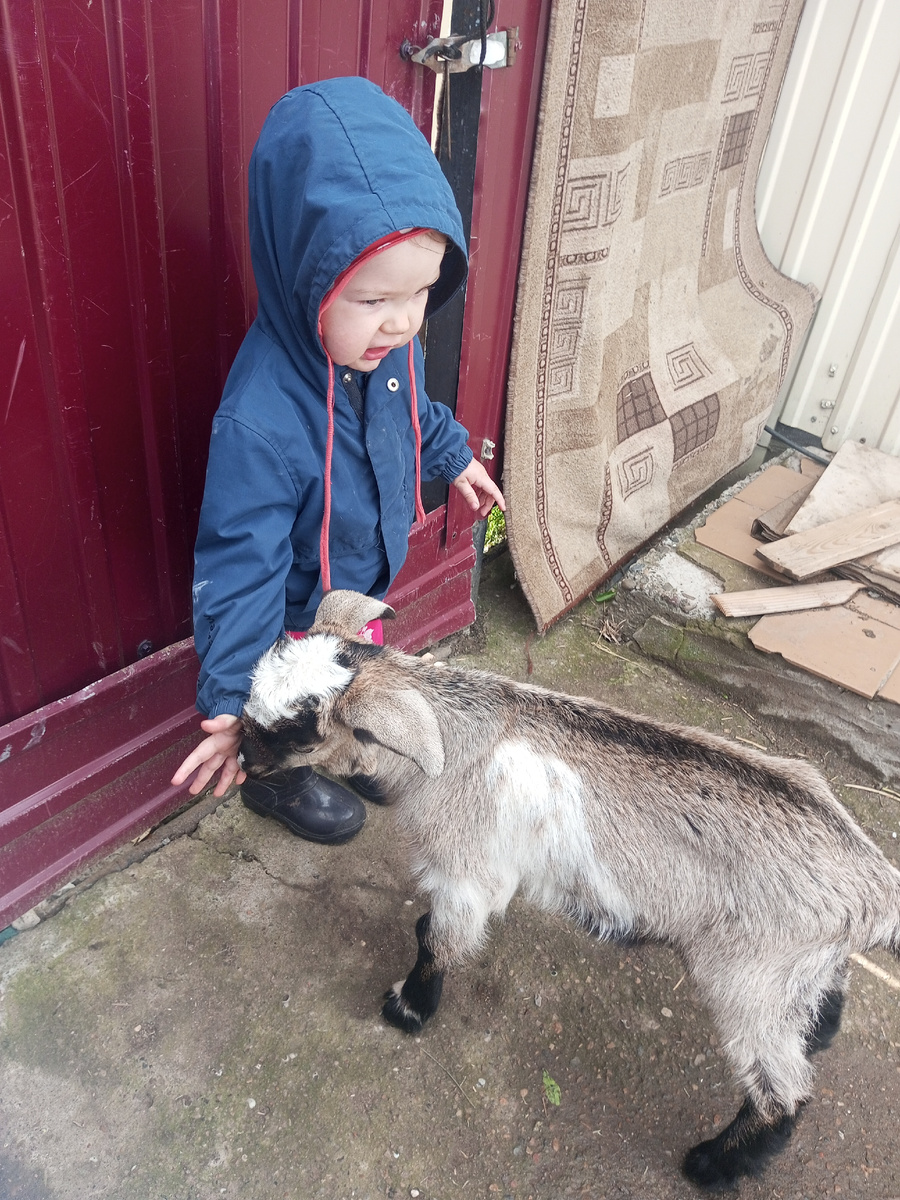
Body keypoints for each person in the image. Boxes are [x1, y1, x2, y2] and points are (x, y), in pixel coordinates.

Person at [171, 76, 505, 843]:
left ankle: (343, 743)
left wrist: (451, 453)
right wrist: (234, 700)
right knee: (298, 700)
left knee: (351, 671)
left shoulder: (384, 350)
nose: (402, 320)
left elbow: (412, 408)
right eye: (371, 299)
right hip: (288, 621)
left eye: (420, 292)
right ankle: (278, 779)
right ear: (304, 277)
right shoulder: (260, 418)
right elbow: (238, 563)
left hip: (356, 585)